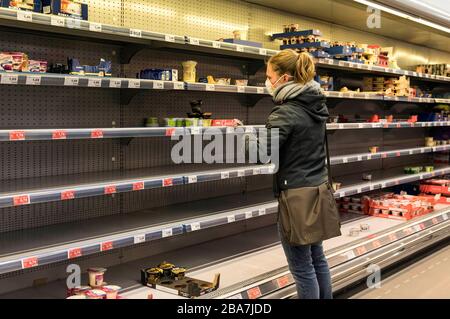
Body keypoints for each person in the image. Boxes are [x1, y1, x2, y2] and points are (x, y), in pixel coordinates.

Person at [262, 49, 341, 299]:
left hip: (295, 198)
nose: (267, 82)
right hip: (316, 191)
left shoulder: (286, 112)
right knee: (317, 259)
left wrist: (245, 138)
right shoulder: (315, 107)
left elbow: (263, 153)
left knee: (302, 268)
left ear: (284, 78)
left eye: (269, 76)